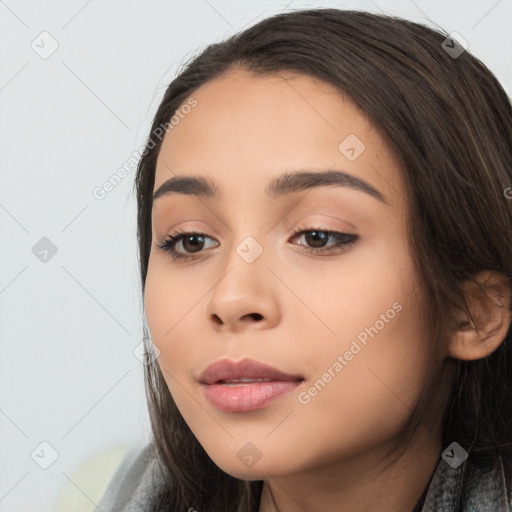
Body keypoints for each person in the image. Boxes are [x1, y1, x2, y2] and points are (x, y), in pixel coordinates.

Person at [95, 7, 512, 512]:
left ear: (473, 310)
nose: (231, 298)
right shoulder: (130, 493)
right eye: (190, 241)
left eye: (317, 236)